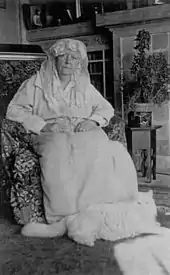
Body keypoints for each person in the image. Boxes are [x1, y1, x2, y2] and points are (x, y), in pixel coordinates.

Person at [6, 39, 156, 245]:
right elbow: (14, 110)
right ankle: (63, 217)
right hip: (50, 133)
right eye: (64, 57)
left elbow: (105, 109)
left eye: (74, 58)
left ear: (80, 63)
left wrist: (92, 121)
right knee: (59, 150)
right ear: (55, 59)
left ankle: (94, 213)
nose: (69, 61)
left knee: (99, 145)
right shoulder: (36, 83)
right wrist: (42, 125)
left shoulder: (84, 85)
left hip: (81, 130)